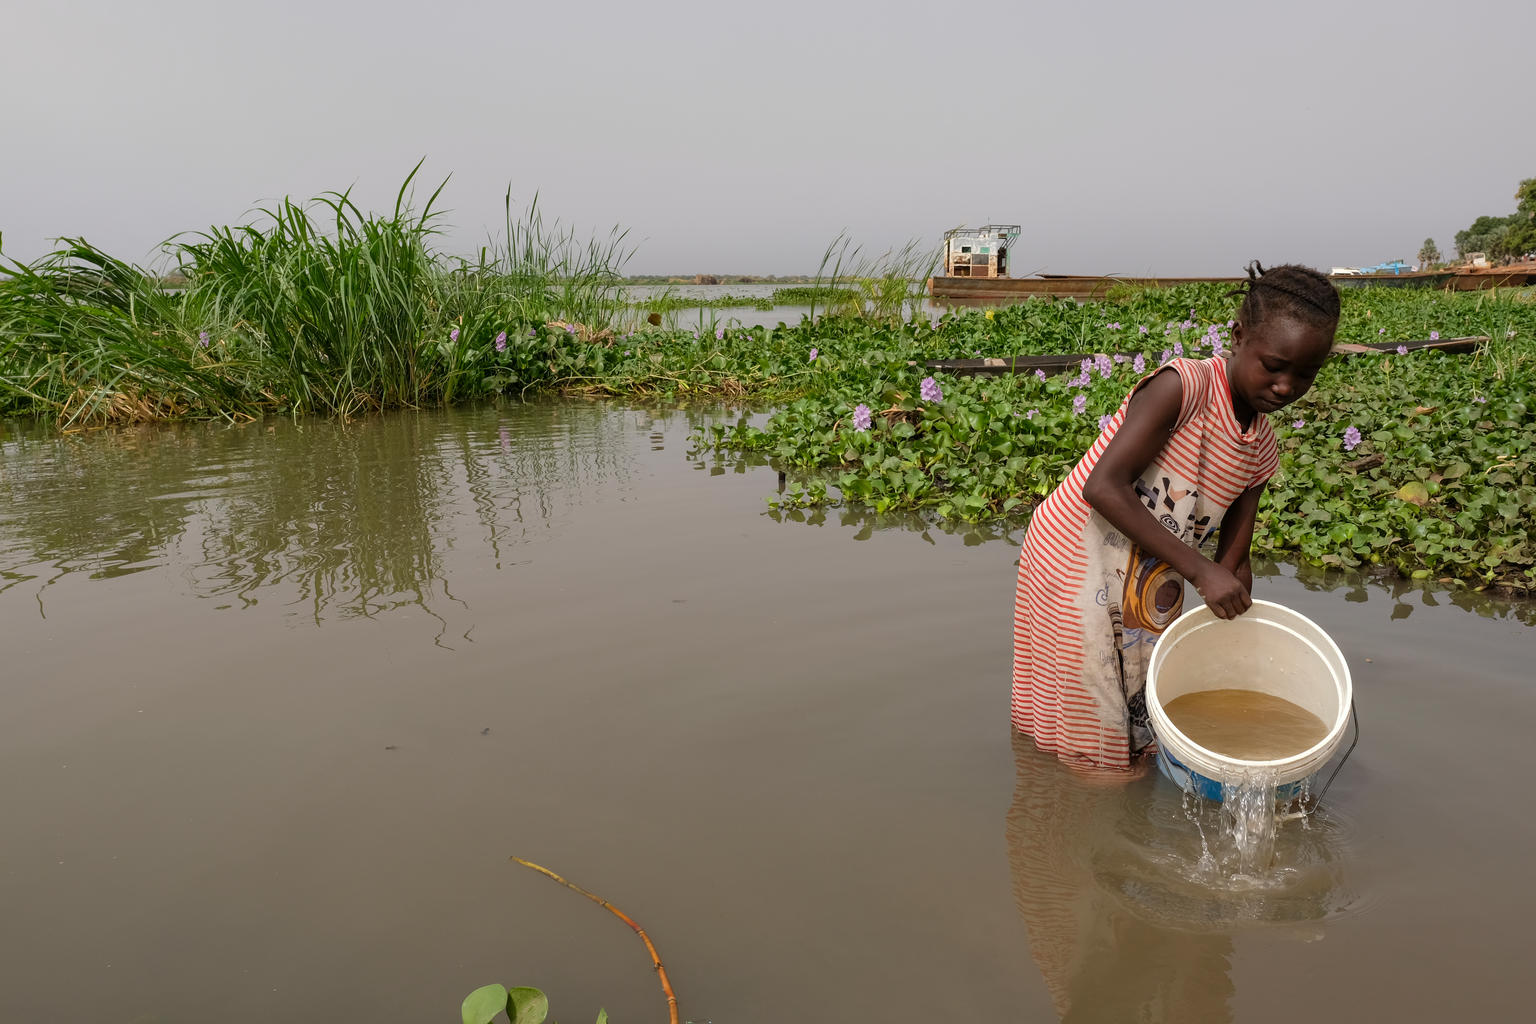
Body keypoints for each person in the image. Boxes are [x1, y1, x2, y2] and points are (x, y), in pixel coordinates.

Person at [1011, 262, 1340, 770]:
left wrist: (1236, 620)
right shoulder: (1182, 388)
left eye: (1305, 374)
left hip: (1150, 567)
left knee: (1142, 718)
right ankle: (1078, 804)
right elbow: (1103, 487)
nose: (1285, 386)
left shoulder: (1262, 448)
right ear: (1237, 336)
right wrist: (1202, 572)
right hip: (1077, 554)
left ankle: (1117, 790)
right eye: (1274, 365)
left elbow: (1235, 555)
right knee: (1094, 709)